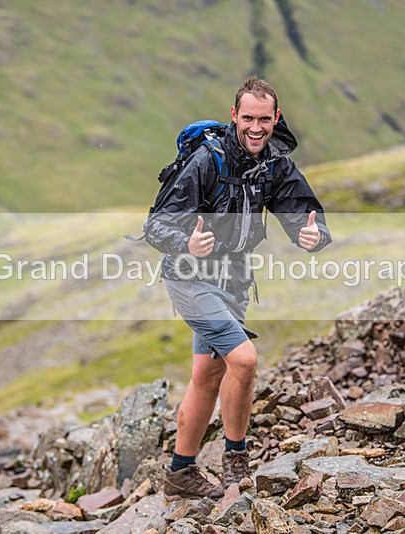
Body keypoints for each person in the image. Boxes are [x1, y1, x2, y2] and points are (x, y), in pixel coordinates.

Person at [145, 77, 332, 499]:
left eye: (264, 119)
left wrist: (314, 235)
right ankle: (236, 463)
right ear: (234, 116)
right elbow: (155, 225)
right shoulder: (206, 162)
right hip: (190, 277)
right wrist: (186, 242)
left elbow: (302, 212)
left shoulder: (275, 163)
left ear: (275, 118)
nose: (256, 127)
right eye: (247, 117)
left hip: (234, 280)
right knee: (243, 361)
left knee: (207, 376)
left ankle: (180, 474)